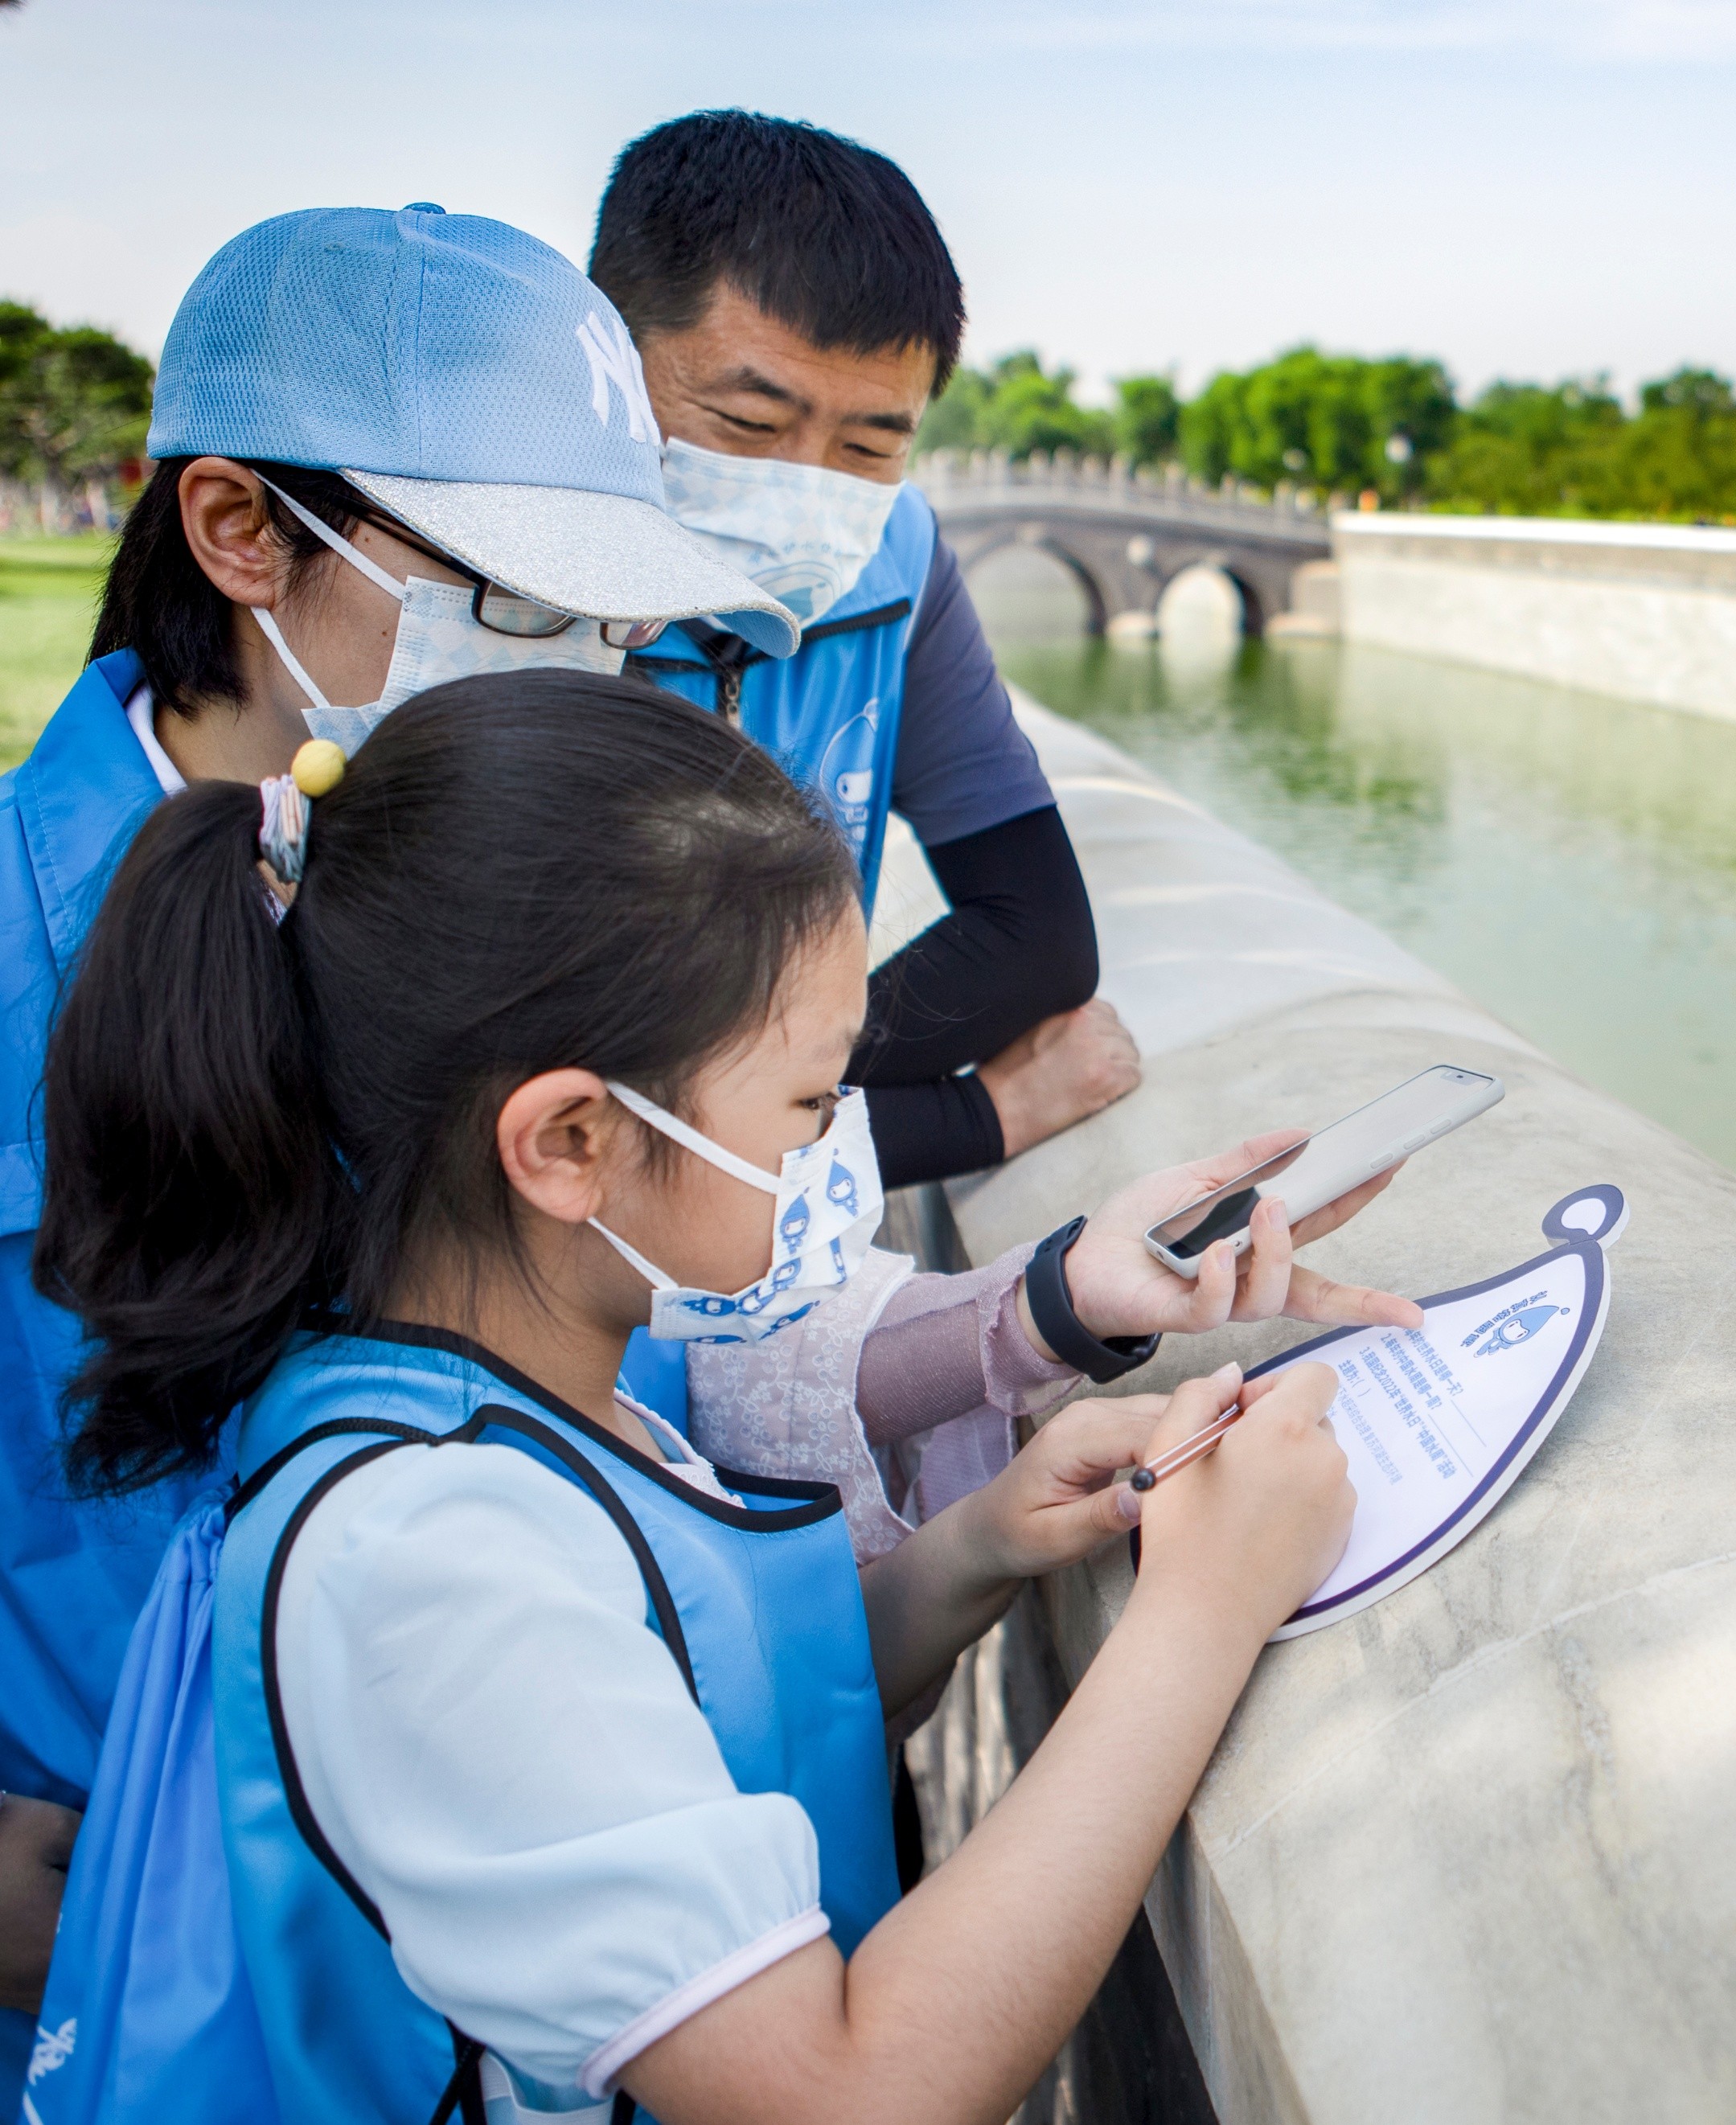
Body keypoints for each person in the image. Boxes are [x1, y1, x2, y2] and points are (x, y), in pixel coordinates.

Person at [31, 673, 1376, 2123]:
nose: (832, 1152)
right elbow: (845, 2094)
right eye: (808, 1105)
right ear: (570, 1140)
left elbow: (680, 1713)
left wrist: (981, 1546)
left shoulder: (499, 1398)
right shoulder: (427, 1557)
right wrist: (1203, 1610)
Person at [0, 203, 802, 2043]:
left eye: (615, 619)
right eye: (513, 600)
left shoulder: (525, 894)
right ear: (235, 529)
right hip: (154, 1998)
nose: (575, 668)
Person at [593, 109, 1139, 1196]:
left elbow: (1037, 939)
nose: (807, 487)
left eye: (867, 445)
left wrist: (748, 1107)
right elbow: (549, 1111)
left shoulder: (897, 561)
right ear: (606, 359)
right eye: (749, 428)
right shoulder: (485, 592)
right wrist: (978, 1117)